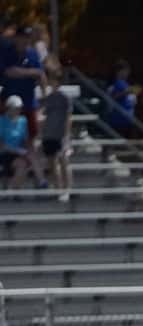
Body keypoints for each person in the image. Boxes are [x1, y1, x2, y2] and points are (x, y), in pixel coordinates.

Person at [1, 25, 43, 146]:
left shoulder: (33, 53)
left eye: (27, 38)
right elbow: (8, 72)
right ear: (15, 38)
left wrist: (20, 72)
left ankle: (29, 160)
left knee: (32, 134)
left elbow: (40, 74)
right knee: (7, 134)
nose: (25, 41)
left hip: (28, 101)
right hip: (9, 102)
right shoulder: (6, 52)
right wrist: (31, 72)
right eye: (22, 37)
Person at [38, 63, 70, 200]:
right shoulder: (46, 99)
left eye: (55, 80)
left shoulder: (64, 98)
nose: (53, 82)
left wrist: (67, 136)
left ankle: (66, 189)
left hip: (59, 135)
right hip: (48, 135)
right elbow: (41, 115)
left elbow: (68, 118)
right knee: (52, 162)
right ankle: (58, 189)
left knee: (62, 161)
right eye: (51, 79)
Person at [0, 94, 31, 188]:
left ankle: (12, 190)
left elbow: (25, 140)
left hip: (17, 153)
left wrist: (25, 151)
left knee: (23, 163)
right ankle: (11, 190)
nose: (18, 110)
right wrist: (19, 151)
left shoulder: (23, 120)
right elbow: (1, 145)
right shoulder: (1, 120)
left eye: (19, 108)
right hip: (4, 153)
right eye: (15, 108)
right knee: (21, 163)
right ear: (9, 108)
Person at [106, 60, 135, 135]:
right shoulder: (115, 84)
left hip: (128, 119)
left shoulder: (126, 84)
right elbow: (113, 97)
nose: (127, 73)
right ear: (118, 72)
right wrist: (125, 93)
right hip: (119, 120)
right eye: (125, 71)